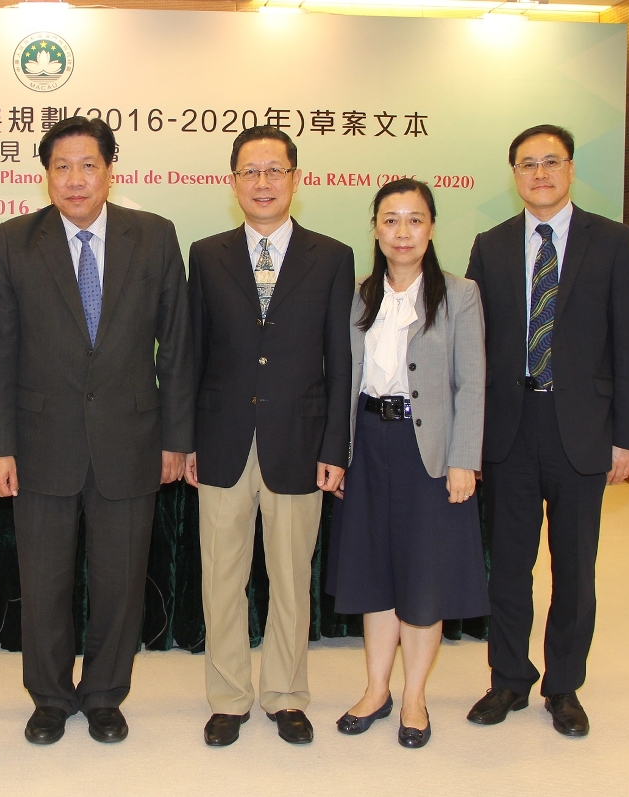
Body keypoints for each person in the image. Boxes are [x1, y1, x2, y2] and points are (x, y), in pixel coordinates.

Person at [0, 116, 194, 745]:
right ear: (45, 175)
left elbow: (176, 345)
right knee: (43, 581)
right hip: (41, 442)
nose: (75, 180)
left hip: (131, 439)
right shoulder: (15, 239)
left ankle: (104, 695)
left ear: (109, 170)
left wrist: (176, 439)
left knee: (120, 580)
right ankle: (48, 697)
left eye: (88, 165)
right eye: (61, 167)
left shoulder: (153, 237)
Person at [465, 125, 629, 737]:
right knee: (509, 564)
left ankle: (564, 685)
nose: (539, 173)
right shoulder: (489, 246)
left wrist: (628, 436)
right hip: (509, 429)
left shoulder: (614, 242)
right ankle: (508, 680)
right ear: (513, 174)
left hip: (582, 428)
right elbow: (475, 348)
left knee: (575, 565)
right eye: (527, 163)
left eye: (551, 162)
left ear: (570, 169)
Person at [185, 126, 353, 748]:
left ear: (295, 179)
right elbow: (191, 355)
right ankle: (229, 696)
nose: (262, 183)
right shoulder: (206, 254)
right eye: (250, 172)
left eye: (274, 171)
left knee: (290, 577)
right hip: (222, 441)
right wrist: (187, 438)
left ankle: (286, 695)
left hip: (300, 442)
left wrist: (335, 448)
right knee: (220, 576)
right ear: (233, 182)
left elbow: (341, 360)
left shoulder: (332, 257)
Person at [326, 178, 489, 749]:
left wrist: (464, 459)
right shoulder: (357, 293)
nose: (403, 232)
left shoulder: (459, 294)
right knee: (374, 574)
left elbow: (472, 384)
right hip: (367, 443)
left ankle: (414, 695)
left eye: (415, 219)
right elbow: (340, 381)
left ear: (431, 228)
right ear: (375, 227)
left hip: (431, 452)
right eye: (391, 219)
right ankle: (376, 689)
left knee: (424, 575)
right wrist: (338, 455)